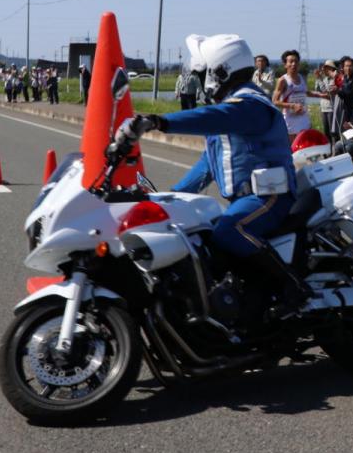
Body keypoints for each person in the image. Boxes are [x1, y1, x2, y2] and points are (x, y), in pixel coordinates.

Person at [112, 33, 308, 316]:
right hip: (246, 199)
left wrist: (157, 122)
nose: (201, 79)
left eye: (203, 73)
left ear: (220, 72)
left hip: (270, 196)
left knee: (230, 230)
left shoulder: (251, 104)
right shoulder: (231, 110)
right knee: (198, 234)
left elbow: (217, 117)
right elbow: (207, 165)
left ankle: (293, 287)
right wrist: (166, 199)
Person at [272, 49, 311, 143]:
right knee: (292, 147)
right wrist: (292, 105)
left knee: (305, 146)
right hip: (290, 120)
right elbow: (275, 101)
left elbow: (306, 93)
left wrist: (322, 95)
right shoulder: (282, 80)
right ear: (285, 64)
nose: (293, 64)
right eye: (291, 62)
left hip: (303, 118)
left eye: (296, 61)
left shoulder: (302, 78)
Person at [310, 60, 339, 145]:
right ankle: (329, 151)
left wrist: (319, 78)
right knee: (326, 132)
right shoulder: (325, 79)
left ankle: (336, 150)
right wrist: (318, 79)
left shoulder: (334, 79)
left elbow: (326, 91)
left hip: (331, 108)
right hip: (324, 108)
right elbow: (317, 89)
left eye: (326, 68)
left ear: (331, 68)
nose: (324, 70)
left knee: (333, 132)